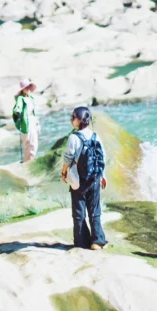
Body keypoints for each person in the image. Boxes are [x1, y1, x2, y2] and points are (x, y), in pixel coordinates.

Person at [61, 105, 108, 250]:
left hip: (78, 181)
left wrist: (64, 173)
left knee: (79, 213)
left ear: (79, 120)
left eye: (73, 117)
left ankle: (82, 242)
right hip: (94, 179)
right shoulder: (95, 136)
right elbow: (102, 158)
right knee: (95, 211)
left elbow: (68, 158)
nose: (71, 119)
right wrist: (102, 176)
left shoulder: (74, 138)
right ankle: (97, 241)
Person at [12, 79, 39, 163]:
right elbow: (18, 106)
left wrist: (37, 122)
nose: (27, 88)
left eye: (28, 86)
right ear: (22, 89)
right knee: (27, 144)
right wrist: (17, 111)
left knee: (34, 143)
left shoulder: (31, 97)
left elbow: (34, 111)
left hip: (33, 121)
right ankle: (27, 162)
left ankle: (30, 160)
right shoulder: (20, 98)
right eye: (25, 87)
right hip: (26, 122)